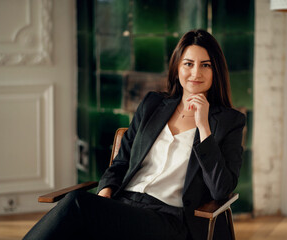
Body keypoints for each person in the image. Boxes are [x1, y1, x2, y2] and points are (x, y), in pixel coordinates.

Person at [23, 29, 246, 240]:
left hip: (170, 219)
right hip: (125, 205)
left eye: (205, 65)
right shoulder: (153, 105)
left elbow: (221, 189)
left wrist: (204, 127)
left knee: (77, 203)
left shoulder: (229, 122)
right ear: (177, 67)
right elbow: (122, 161)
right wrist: (105, 195)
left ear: (215, 71)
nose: (196, 73)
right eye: (188, 64)